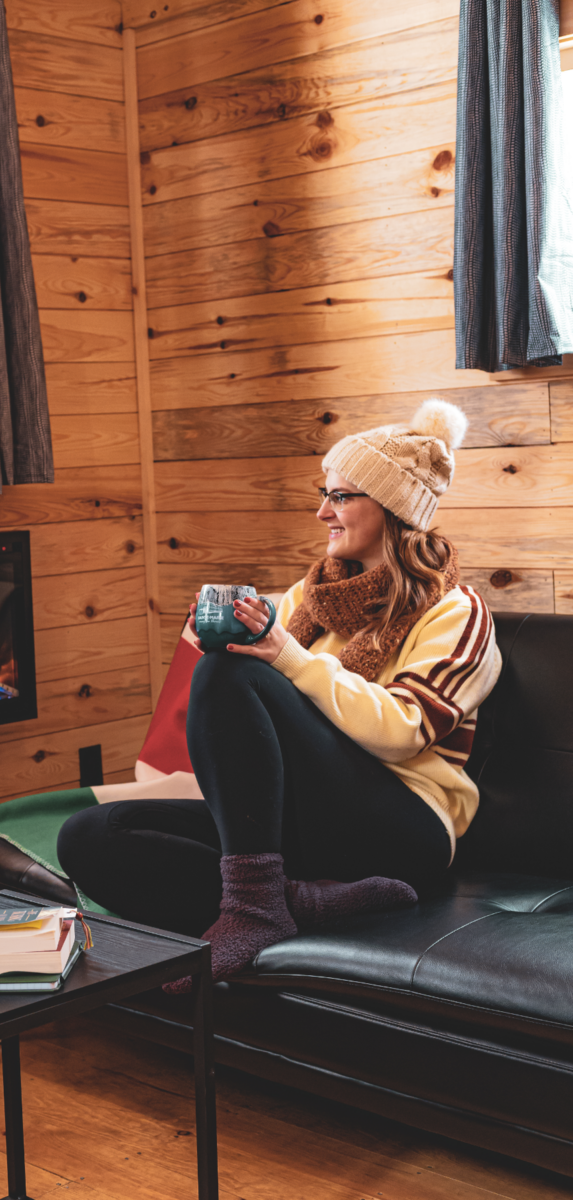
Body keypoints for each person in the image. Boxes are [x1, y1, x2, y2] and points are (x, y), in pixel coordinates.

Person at [57, 400, 502, 989]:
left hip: (405, 828)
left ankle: (254, 909)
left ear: (393, 509)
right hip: (293, 825)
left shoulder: (458, 613)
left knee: (230, 672)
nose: (323, 512)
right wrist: (217, 635)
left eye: (342, 496)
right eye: (325, 493)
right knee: (89, 837)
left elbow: (401, 733)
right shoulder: (309, 598)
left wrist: (279, 655)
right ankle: (296, 899)